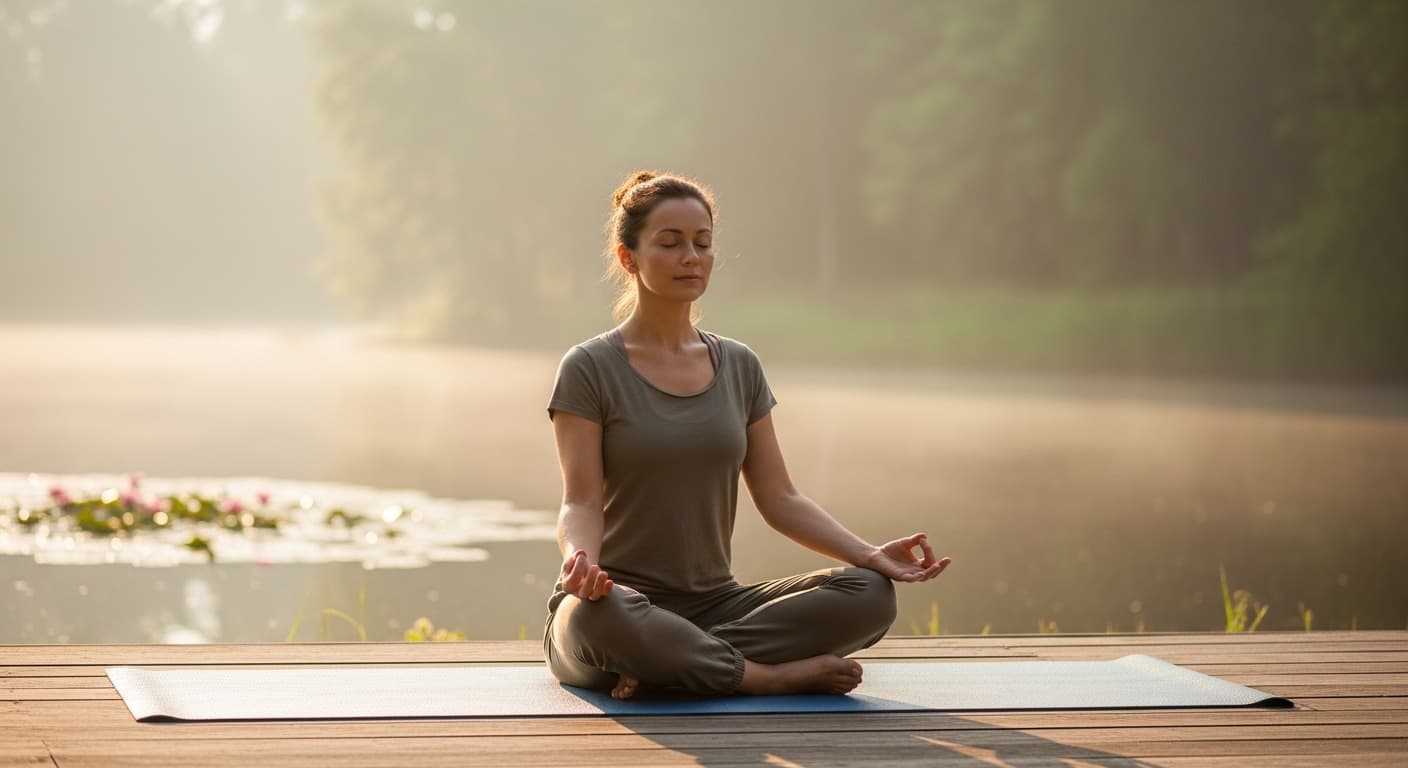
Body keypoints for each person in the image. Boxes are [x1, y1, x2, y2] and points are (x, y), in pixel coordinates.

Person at [544, 170, 950, 700]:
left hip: (717, 603)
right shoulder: (589, 367)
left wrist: (869, 554)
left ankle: (672, 661)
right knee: (598, 621)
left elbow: (780, 498)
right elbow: (581, 499)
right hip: (615, 602)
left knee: (870, 594)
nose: (691, 256)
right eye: (670, 243)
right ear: (629, 258)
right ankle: (765, 676)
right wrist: (581, 564)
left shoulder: (739, 365)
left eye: (703, 243)